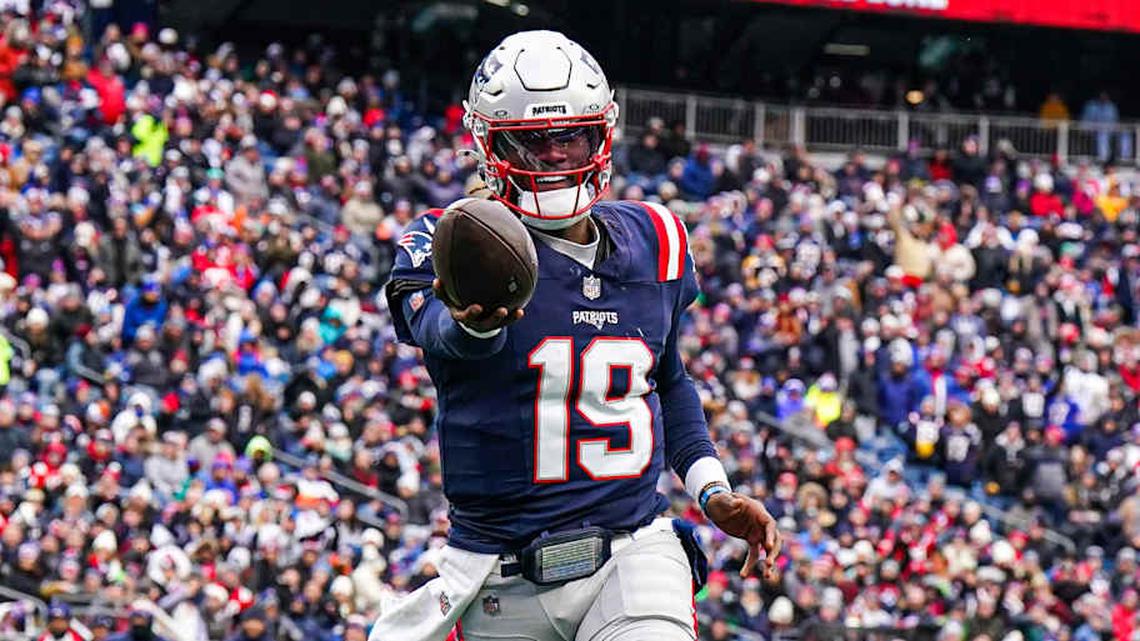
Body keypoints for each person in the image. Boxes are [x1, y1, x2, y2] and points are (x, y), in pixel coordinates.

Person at [377, 30, 781, 641]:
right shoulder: (451, 240)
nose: (558, 155)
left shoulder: (658, 239)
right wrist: (474, 320)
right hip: (496, 576)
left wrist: (711, 489)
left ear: (603, 134)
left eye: (573, 135)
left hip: (632, 554)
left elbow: (667, 380)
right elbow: (437, 332)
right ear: (490, 143)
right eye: (535, 142)